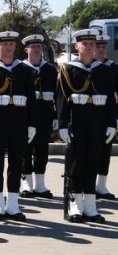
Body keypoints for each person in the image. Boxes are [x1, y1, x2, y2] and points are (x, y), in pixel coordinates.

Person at [59, 29, 117, 222]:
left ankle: (90, 205)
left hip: (97, 123)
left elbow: (110, 100)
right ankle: (75, 203)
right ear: (77, 47)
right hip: (77, 122)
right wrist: (62, 126)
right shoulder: (68, 69)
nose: (90, 47)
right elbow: (62, 100)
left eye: (92, 44)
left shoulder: (104, 70)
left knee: (93, 161)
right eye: (85, 44)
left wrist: (111, 123)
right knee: (77, 163)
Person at [0, 31, 36, 221]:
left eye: (11, 44)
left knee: (16, 162)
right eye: (5, 44)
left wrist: (31, 124)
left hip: (18, 121)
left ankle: (13, 203)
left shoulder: (25, 70)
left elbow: (31, 99)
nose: (9, 47)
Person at [20, 34, 57, 198]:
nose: (36, 49)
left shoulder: (49, 69)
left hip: (45, 113)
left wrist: (56, 116)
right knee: (25, 149)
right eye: (33, 47)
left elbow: (57, 95)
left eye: (39, 47)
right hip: (25, 114)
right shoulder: (20, 68)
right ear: (26, 49)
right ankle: (26, 182)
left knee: (42, 148)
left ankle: (40, 183)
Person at [94, 32, 118, 200]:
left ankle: (101, 185)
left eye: (103, 46)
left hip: (108, 115)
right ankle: (87, 185)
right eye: (98, 46)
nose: (101, 49)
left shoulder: (113, 67)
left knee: (105, 151)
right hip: (89, 116)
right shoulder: (87, 67)